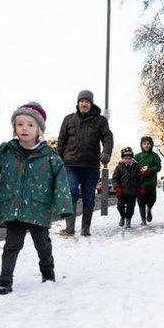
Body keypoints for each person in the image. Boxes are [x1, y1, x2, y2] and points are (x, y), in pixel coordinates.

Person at [0, 102, 73, 295]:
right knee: (11, 246)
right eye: (20, 124)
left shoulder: (50, 156)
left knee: (43, 245)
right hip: (13, 209)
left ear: (39, 130)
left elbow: (61, 182)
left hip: (38, 210)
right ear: (14, 128)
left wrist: (64, 206)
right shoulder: (7, 152)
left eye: (30, 125)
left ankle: (48, 274)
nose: (24, 128)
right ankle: (4, 282)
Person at [56, 90, 113, 237]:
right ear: (78, 103)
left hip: (91, 165)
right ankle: (69, 229)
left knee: (89, 197)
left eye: (87, 101)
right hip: (70, 165)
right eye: (81, 101)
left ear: (91, 103)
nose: (84, 104)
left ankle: (85, 228)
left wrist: (106, 152)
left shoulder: (100, 121)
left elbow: (107, 137)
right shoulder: (68, 119)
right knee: (72, 192)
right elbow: (61, 142)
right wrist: (58, 160)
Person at [134, 136, 162, 225]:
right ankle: (143, 220)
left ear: (151, 145)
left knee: (152, 199)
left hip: (151, 182)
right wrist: (140, 171)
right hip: (140, 183)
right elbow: (133, 167)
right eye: (144, 144)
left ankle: (149, 208)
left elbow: (158, 167)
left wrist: (149, 170)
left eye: (148, 144)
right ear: (141, 145)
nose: (146, 145)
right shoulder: (137, 156)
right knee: (140, 201)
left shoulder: (154, 155)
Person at [111, 147, 140, 228]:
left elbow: (140, 178)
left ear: (132, 158)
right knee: (120, 206)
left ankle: (128, 219)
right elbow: (115, 178)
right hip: (121, 191)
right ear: (123, 159)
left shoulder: (136, 167)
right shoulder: (119, 167)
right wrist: (117, 187)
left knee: (130, 208)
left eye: (129, 158)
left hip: (132, 192)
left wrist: (140, 187)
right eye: (125, 158)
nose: (127, 160)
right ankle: (122, 217)